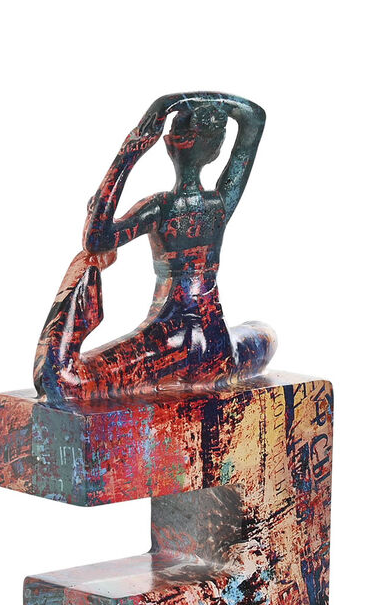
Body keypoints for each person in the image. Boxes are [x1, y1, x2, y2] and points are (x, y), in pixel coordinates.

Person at [34, 92, 277, 404]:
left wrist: (131, 150)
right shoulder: (218, 205)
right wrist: (179, 103)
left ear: (169, 144)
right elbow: (254, 118)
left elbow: (96, 240)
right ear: (216, 149)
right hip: (213, 342)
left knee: (67, 381)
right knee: (265, 334)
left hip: (172, 343)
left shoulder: (163, 207)